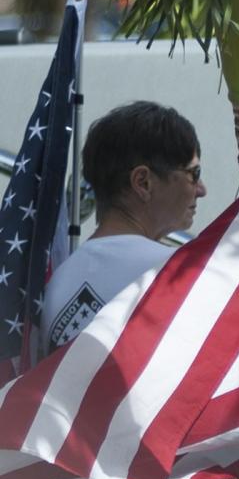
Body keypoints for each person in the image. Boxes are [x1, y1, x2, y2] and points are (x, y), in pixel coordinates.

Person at [39, 102, 203, 348]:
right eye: (194, 174)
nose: (201, 190)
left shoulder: (54, 286)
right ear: (143, 182)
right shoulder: (178, 271)